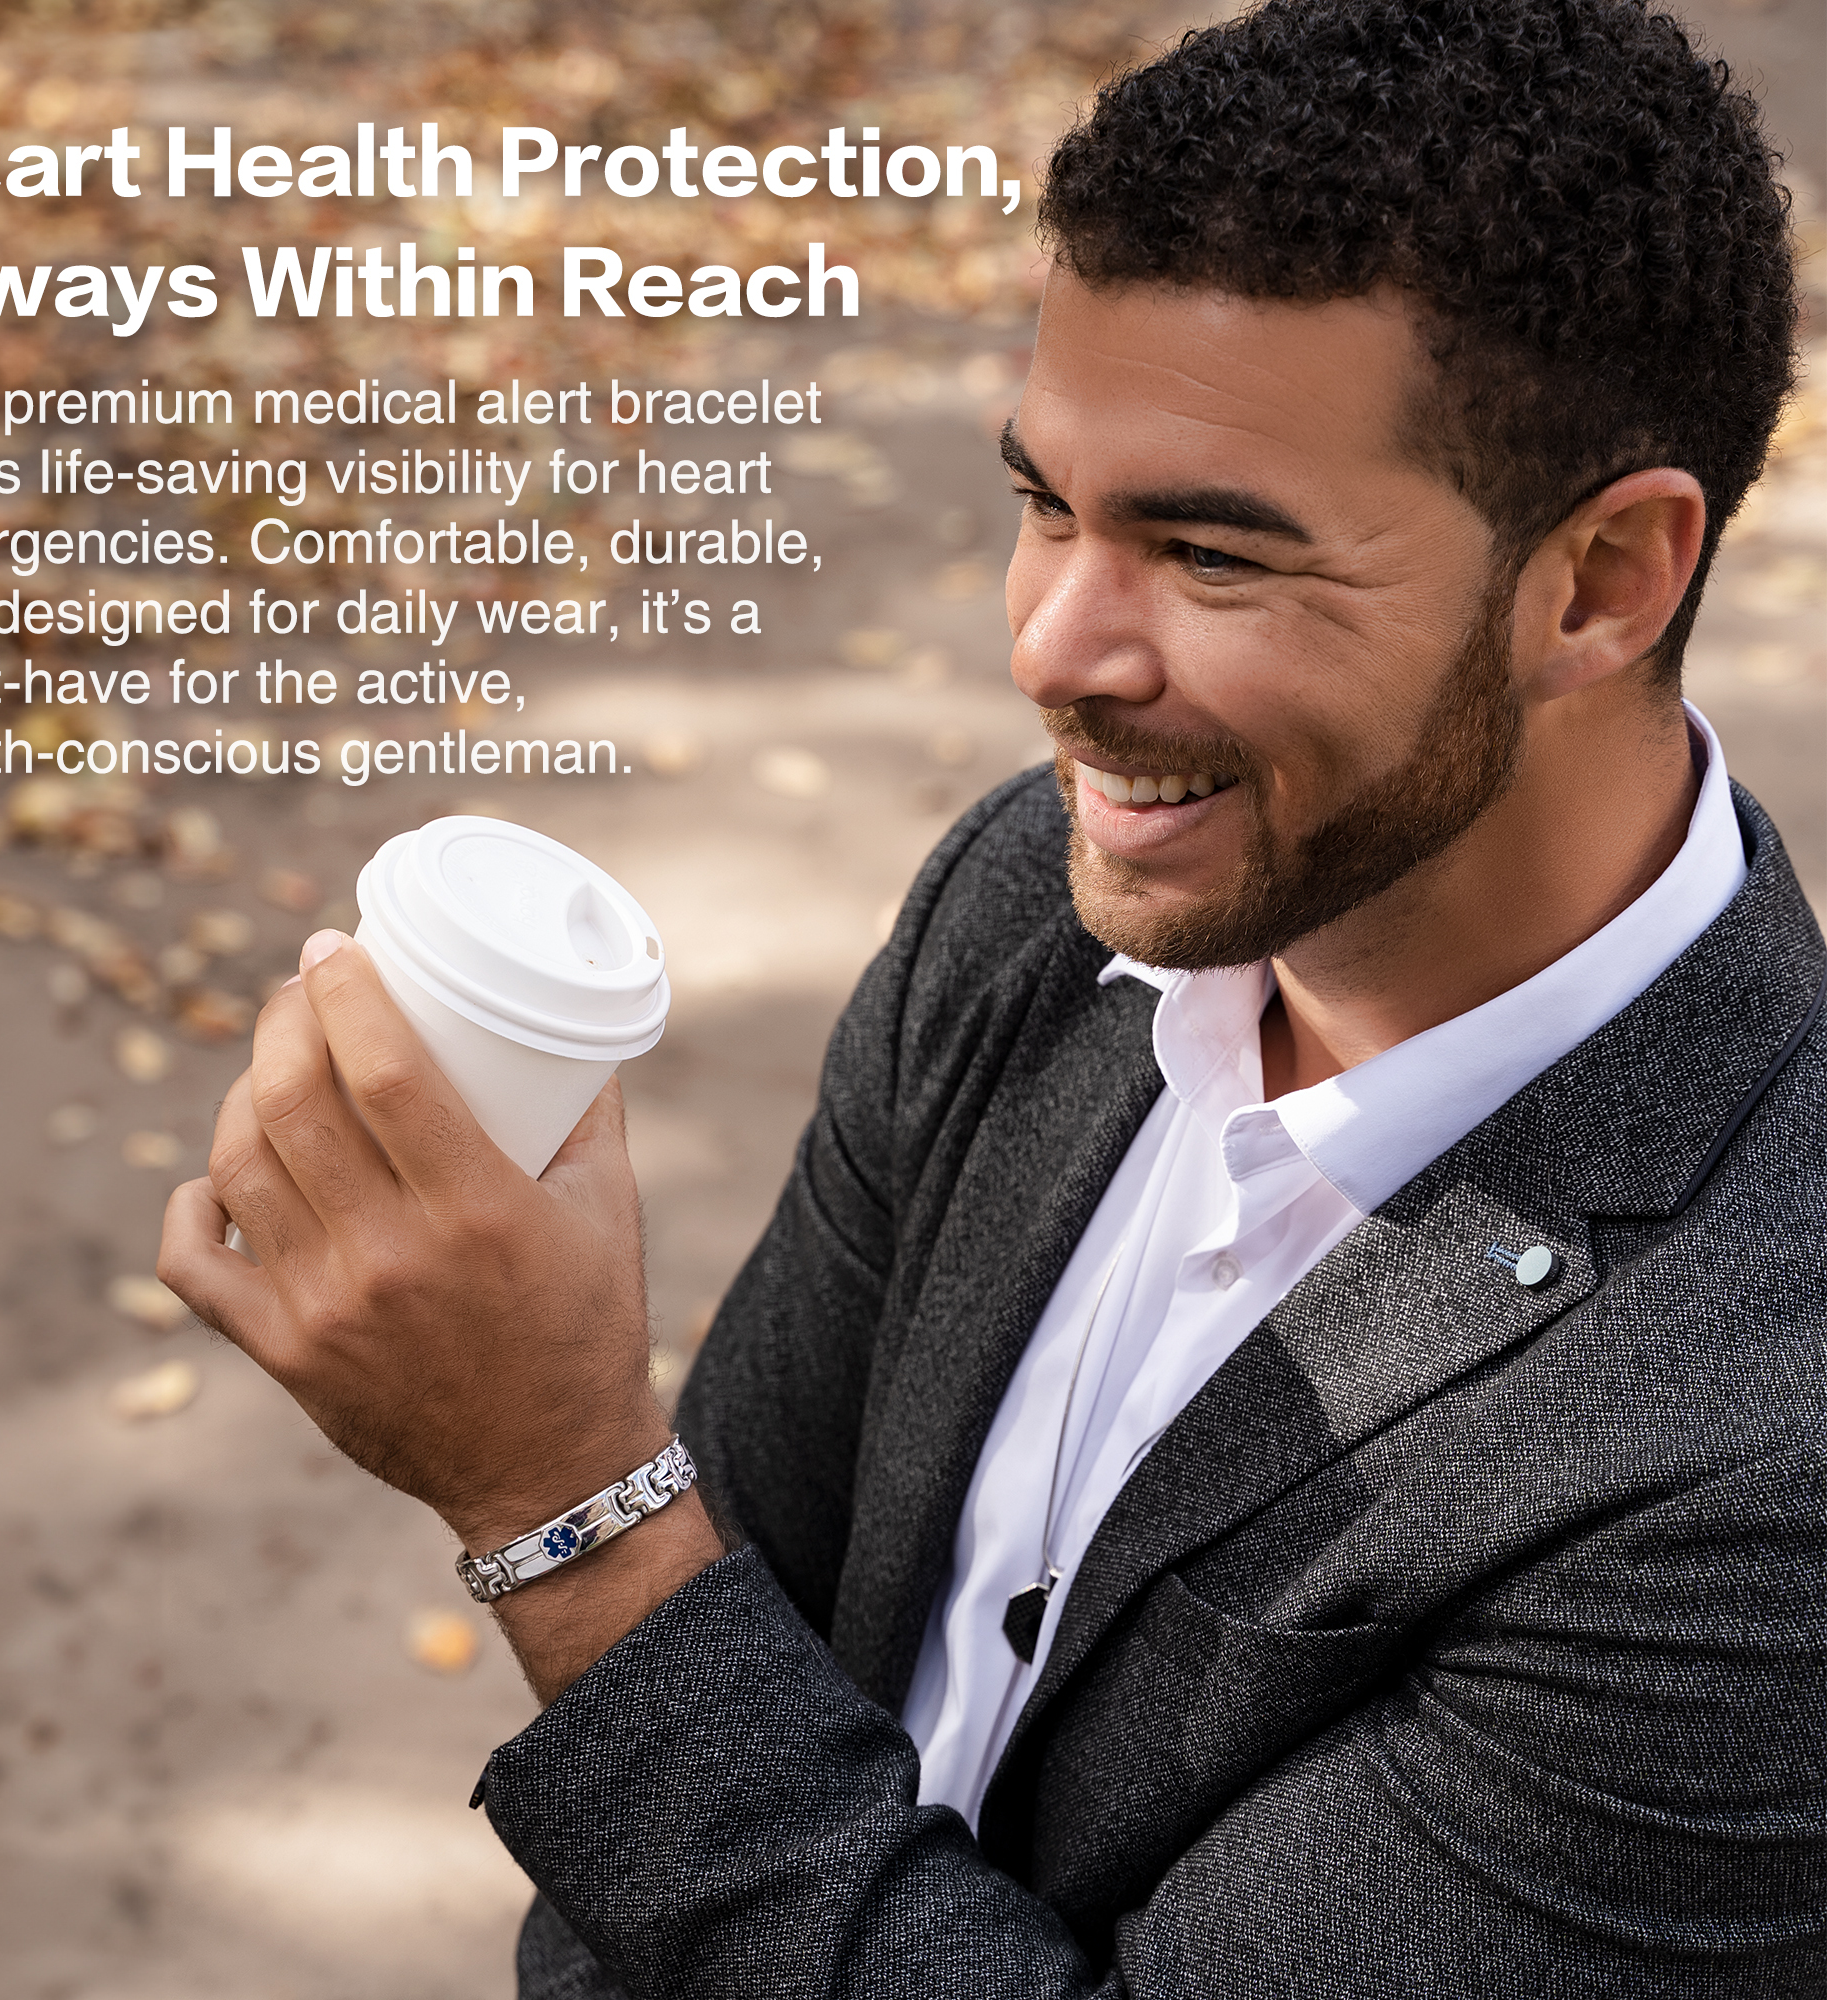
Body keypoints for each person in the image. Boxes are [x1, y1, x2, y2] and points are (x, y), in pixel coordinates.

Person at [160, 0, 1827, 1990]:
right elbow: (723, 1684)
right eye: (1046, 501)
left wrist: (561, 1494)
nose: (1050, 645)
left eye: (1210, 553)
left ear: (1602, 580)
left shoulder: (1762, 1463)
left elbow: (657, 1634)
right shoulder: (1028, 915)